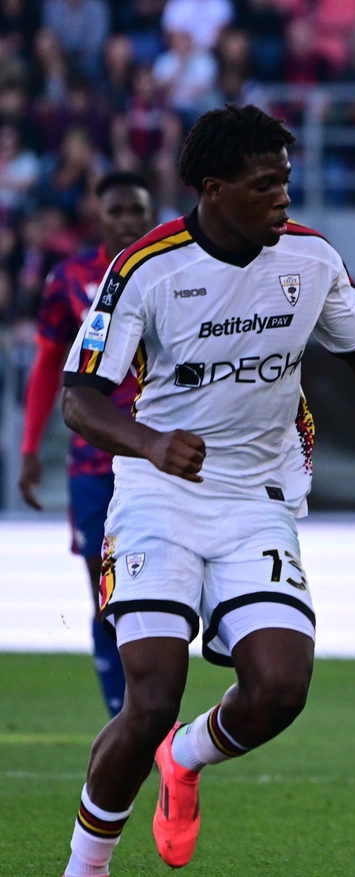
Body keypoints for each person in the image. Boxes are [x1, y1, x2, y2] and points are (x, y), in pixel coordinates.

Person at [55, 104, 355, 877]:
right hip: (158, 495)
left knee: (280, 687)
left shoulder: (310, 260)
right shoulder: (146, 268)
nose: (283, 197)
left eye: (285, 181)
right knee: (148, 698)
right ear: (215, 189)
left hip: (256, 500)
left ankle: (187, 756)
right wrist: (151, 442)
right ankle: (87, 865)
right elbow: (80, 395)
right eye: (265, 184)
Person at [19, 171, 158, 718]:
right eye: (117, 211)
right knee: (106, 595)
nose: (127, 220)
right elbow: (49, 363)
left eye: (137, 210)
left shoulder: (172, 269)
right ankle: (125, 715)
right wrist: (30, 448)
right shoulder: (72, 278)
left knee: (160, 592)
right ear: (100, 217)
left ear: (152, 214)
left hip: (156, 454)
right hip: (93, 463)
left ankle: (154, 704)